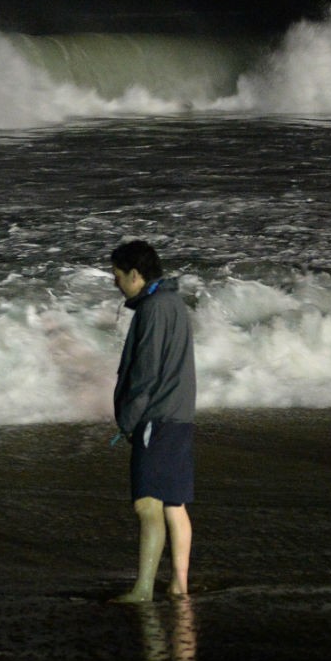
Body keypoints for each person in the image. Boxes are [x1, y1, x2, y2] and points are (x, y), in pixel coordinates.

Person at [109, 240, 195, 602]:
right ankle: (179, 585)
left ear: (135, 274)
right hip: (179, 416)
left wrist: (128, 421)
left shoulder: (154, 309)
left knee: (147, 505)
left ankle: (144, 589)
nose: (115, 284)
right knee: (174, 504)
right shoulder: (174, 304)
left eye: (117, 277)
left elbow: (145, 375)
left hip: (156, 419)